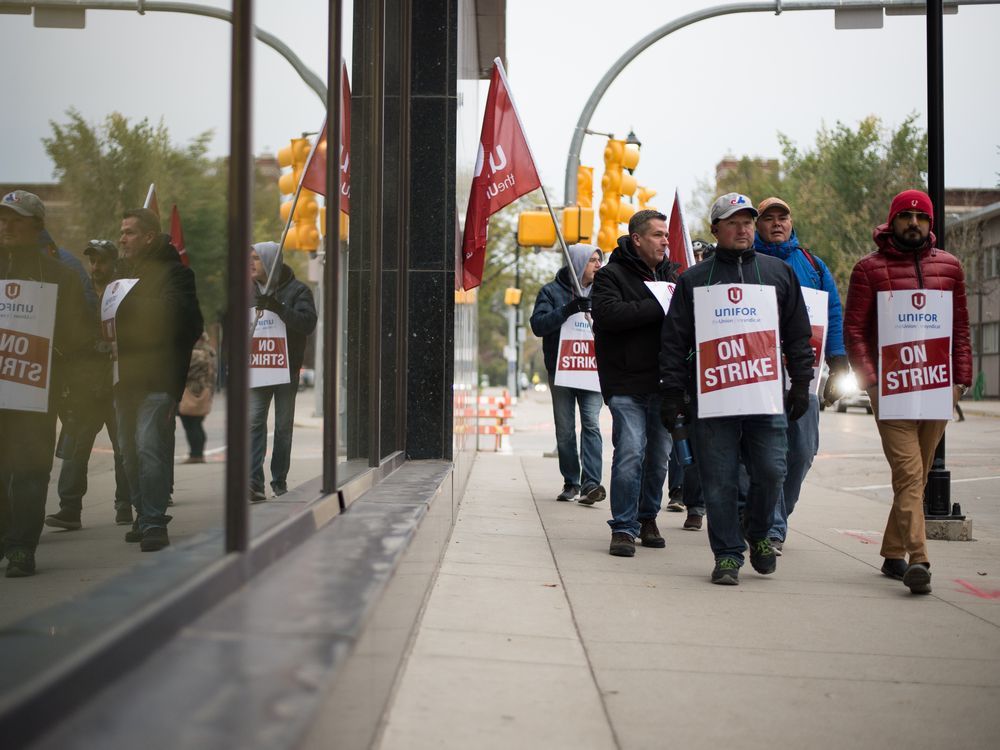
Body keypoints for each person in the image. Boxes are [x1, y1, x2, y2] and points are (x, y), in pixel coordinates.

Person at [659, 193, 814, 585]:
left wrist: (801, 383)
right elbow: (674, 341)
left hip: (765, 397)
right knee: (720, 479)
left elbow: (797, 333)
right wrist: (673, 393)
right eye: (734, 222)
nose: (744, 228)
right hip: (714, 400)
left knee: (771, 471)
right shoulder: (694, 279)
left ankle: (760, 534)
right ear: (716, 230)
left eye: (748, 221)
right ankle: (727, 554)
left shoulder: (778, 272)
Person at [844, 189, 972, 594]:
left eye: (921, 218)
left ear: (931, 224)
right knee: (911, 473)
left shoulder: (950, 268)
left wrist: (960, 381)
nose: (913, 224)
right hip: (893, 391)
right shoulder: (869, 269)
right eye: (906, 217)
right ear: (892, 221)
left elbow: (961, 330)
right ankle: (919, 559)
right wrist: (871, 383)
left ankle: (892, 551)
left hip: (937, 392)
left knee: (910, 480)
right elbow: (854, 332)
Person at [0, 190, 90, 577]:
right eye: (3, 218)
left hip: (37, 393)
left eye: (15, 219)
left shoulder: (60, 276)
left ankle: (22, 547)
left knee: (31, 471)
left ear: (36, 225)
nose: (6, 226)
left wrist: (69, 384)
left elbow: (79, 336)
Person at [753, 196, 849, 553]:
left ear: (792, 222)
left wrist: (839, 360)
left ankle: (778, 514)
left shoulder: (812, 264)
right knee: (769, 453)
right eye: (769, 218)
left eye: (784, 217)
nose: (777, 223)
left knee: (803, 451)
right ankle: (773, 528)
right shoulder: (749, 262)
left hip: (802, 376)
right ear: (757, 224)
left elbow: (833, 312)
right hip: (758, 376)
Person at [113, 208, 203, 552]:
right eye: (121, 233)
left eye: (130, 233)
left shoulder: (177, 275)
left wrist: (129, 302)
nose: (123, 239)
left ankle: (153, 521)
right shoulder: (122, 275)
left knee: (151, 448)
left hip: (158, 378)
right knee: (128, 451)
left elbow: (185, 319)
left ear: (149, 237)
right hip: (124, 379)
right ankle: (142, 513)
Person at [591, 209, 679, 557]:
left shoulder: (674, 276)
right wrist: (659, 304)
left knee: (658, 458)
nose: (665, 242)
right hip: (626, 383)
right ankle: (623, 527)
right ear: (638, 238)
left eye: (667, 236)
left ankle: (647, 518)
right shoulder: (610, 276)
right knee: (630, 453)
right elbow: (609, 316)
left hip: (665, 384)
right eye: (658, 235)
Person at [45, 240, 133, 531]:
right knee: (75, 448)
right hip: (85, 386)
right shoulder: (79, 294)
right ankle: (69, 508)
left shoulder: (123, 295)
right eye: (92, 262)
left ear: (113, 263)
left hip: (118, 384)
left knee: (123, 447)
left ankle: (124, 505)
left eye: (101, 261)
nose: (96, 267)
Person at [529, 244, 606, 504]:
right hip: (561, 370)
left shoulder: (604, 291)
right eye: (592, 260)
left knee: (592, 424)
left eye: (599, 260)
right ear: (578, 262)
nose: (597, 265)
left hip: (592, 370)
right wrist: (568, 309)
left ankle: (591, 484)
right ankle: (571, 482)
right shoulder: (551, 291)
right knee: (564, 429)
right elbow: (538, 326)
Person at [249, 241, 317, 502]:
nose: (251, 263)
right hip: (257, 368)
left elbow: (308, 323)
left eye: (256, 258)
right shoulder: (247, 291)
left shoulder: (298, 290)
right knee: (254, 422)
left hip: (286, 369)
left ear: (269, 262)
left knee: (282, 427)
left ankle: (279, 480)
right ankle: (254, 482)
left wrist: (277, 307)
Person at [178, 333, 217, 464]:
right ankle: (197, 454)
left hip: (193, 392)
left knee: (191, 424)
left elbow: (185, 372)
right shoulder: (209, 351)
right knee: (196, 424)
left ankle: (196, 454)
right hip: (204, 392)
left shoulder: (197, 354)